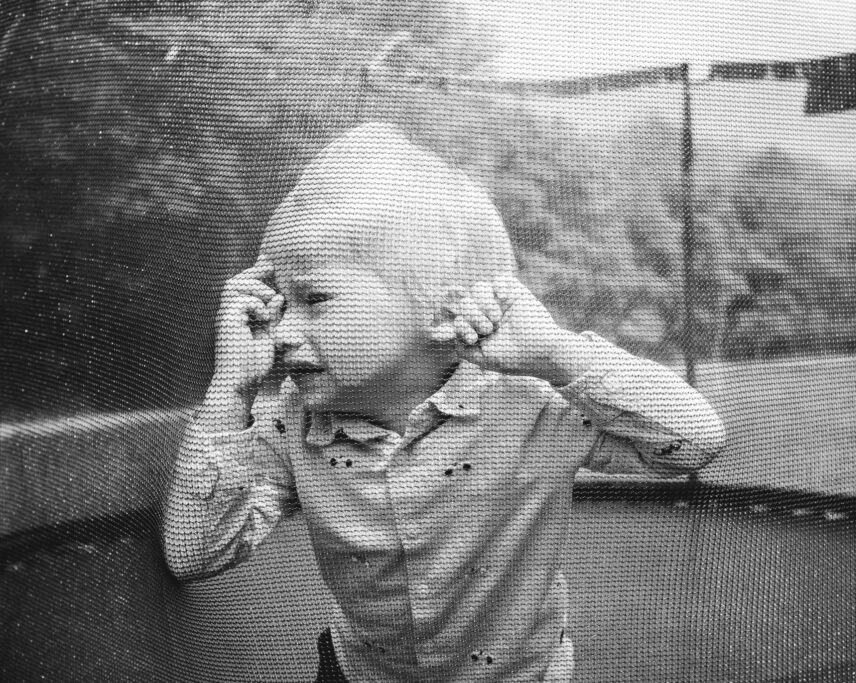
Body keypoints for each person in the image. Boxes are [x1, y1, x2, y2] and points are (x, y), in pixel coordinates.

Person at [163, 122, 725, 682]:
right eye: (281, 303)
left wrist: (555, 352)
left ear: (440, 310)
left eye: (315, 299)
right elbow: (194, 552)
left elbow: (695, 441)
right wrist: (230, 387)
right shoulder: (292, 421)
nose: (283, 331)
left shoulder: (529, 402)